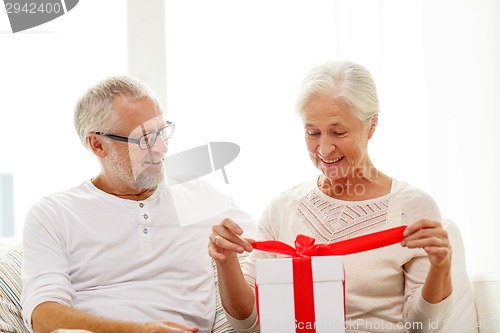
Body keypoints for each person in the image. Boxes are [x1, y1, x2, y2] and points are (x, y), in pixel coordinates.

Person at [208, 61, 456, 332]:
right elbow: (249, 325)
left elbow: (423, 326)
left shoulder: (412, 207)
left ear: (371, 125)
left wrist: (440, 268)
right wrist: (226, 262)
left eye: (339, 132)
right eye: (312, 133)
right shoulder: (282, 208)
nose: (324, 149)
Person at [21, 76, 254, 333]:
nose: (162, 148)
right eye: (144, 139)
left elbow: (273, 253)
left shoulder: (200, 197)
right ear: (98, 145)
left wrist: (228, 259)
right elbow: (43, 316)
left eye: (162, 132)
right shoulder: (54, 213)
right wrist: (138, 331)